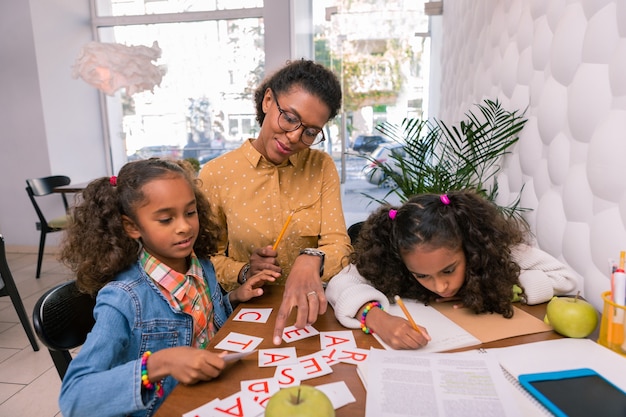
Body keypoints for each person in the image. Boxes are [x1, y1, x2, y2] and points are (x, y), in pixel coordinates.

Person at [57, 158, 275, 417]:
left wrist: (235, 298)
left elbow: (203, 324)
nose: (184, 227)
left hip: (213, 393)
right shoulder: (123, 299)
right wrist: (160, 364)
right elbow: (74, 397)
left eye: (190, 212)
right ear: (132, 226)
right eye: (165, 219)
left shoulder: (201, 264)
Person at [199, 59, 352, 345]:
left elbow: (339, 246)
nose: (294, 137)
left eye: (309, 132)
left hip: (314, 316)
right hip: (249, 318)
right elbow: (206, 261)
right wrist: (245, 271)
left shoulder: (321, 166)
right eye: (290, 118)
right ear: (268, 100)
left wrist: (312, 260)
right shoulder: (216, 174)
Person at [326, 190, 580, 350]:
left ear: (469, 248)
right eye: (422, 275)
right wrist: (375, 318)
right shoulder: (388, 259)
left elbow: (566, 279)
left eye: (448, 270)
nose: (440, 286)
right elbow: (340, 284)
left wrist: (501, 288)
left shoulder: (492, 248)